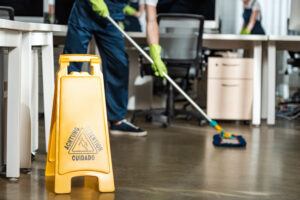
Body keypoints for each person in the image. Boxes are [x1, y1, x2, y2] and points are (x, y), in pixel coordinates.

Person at [64, 0, 167, 137]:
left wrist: (155, 50)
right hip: (85, 12)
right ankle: (67, 118)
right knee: (73, 63)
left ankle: (117, 120)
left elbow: (152, 20)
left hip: (110, 19)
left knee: (119, 64)